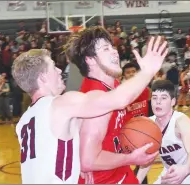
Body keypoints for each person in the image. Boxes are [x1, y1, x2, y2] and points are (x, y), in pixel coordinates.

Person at [11, 34, 166, 184]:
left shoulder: (24, 122)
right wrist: (148, 70)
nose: (59, 71)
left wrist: (76, 162)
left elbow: (51, 153)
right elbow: (119, 99)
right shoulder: (61, 104)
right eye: (53, 67)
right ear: (43, 77)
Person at [66, 26, 168, 184]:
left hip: (122, 174)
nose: (114, 51)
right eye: (105, 48)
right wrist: (131, 158)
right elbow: (87, 160)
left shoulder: (112, 84)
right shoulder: (95, 97)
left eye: (112, 46)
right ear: (90, 59)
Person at [137, 80, 190, 184]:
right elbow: (149, 159)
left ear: (173, 101)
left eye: (163, 98)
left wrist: (186, 169)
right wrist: (136, 181)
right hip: (172, 173)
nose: (158, 102)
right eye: (155, 97)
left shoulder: (180, 121)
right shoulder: (149, 124)